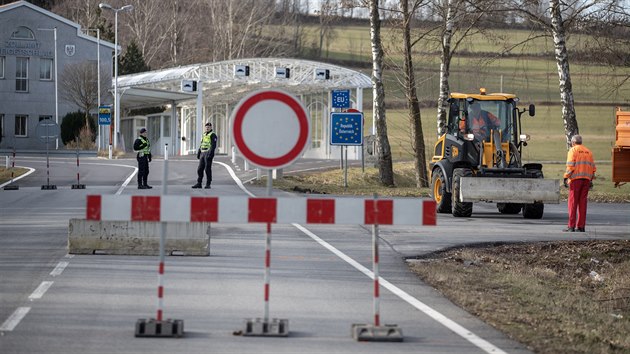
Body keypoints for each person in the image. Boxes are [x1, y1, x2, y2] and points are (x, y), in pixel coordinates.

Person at [563, 134, 596, 232]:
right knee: (582, 203)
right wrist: (591, 179)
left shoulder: (573, 150)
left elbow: (570, 166)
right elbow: (593, 168)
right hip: (586, 180)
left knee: (573, 203)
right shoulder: (588, 151)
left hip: (575, 180)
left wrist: (566, 177)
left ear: (573, 142)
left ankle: (571, 226)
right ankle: (581, 226)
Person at [192, 122, 217, 189]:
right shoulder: (204, 134)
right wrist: (199, 152)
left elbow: (213, 145)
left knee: (207, 169)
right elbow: (202, 144)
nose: (207, 128)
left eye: (209, 127)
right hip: (202, 153)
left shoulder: (213, 135)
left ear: (211, 127)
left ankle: (208, 184)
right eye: (206, 127)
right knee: (199, 169)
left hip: (208, 153)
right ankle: (199, 183)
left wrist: (210, 154)